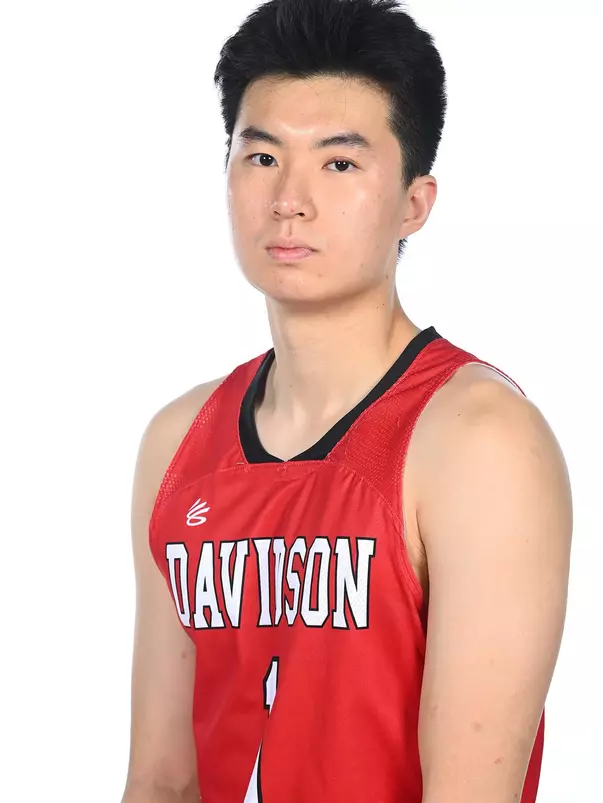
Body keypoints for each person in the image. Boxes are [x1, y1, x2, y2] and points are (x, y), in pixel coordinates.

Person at [121, 1, 572, 801]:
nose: (289, 199)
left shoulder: (479, 440)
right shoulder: (179, 439)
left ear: (413, 203)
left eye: (338, 164)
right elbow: (160, 781)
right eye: (262, 157)